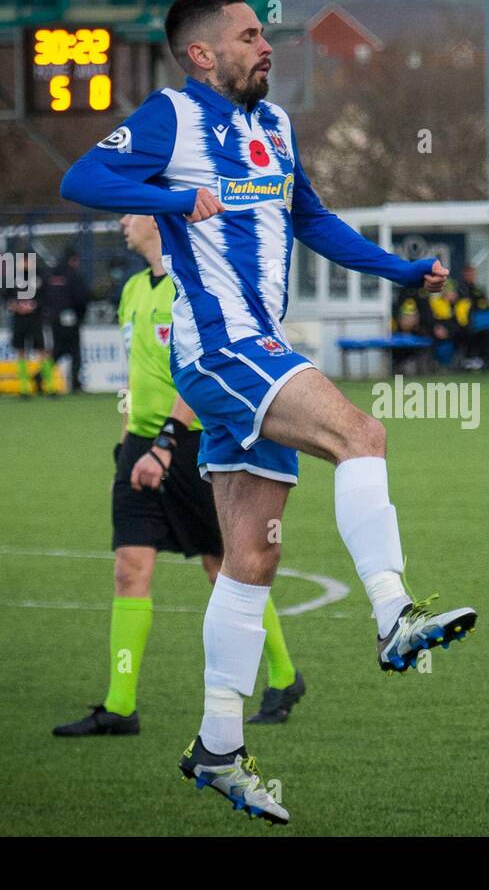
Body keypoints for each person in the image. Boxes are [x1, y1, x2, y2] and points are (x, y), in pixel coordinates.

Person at [61, 0, 477, 825]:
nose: (268, 45)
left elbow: (314, 222)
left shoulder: (277, 129)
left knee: (251, 558)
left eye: (266, 33)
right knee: (362, 432)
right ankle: (394, 612)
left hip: (253, 351)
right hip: (221, 345)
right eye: (250, 35)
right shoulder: (173, 116)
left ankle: (218, 743)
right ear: (203, 53)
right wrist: (175, 199)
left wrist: (402, 272)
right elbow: (82, 175)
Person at [53, 214, 305, 738]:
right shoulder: (130, 291)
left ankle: (283, 676)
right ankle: (120, 706)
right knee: (129, 568)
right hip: (141, 447)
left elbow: (202, 371)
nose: (124, 219)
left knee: (226, 568)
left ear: (157, 220)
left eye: (132, 211)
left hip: (192, 443)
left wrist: (166, 444)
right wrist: (127, 449)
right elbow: (136, 375)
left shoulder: (195, 286)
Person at [42, 248, 92, 393]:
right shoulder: (74, 275)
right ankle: (75, 384)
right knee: (74, 352)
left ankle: (40, 377)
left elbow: (43, 295)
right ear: (73, 260)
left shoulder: (50, 274)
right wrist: (81, 314)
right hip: (71, 319)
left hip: (53, 319)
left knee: (58, 351)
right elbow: (82, 297)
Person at [4, 258, 53, 397]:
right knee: (21, 352)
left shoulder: (40, 277)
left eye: (27, 261)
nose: (25, 264)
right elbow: (5, 297)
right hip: (19, 320)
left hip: (36, 320)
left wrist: (34, 305)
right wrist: (14, 305)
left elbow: (47, 298)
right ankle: (24, 388)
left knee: (42, 351)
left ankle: (49, 386)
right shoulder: (12, 278)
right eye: (22, 261)